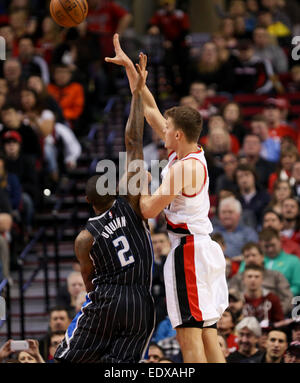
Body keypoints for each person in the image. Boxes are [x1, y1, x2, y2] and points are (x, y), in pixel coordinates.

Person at [105, 34, 228, 363]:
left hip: (188, 251)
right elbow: (149, 111)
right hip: (202, 249)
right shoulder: (190, 150)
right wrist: (133, 72)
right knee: (208, 335)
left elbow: (147, 209)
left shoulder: (181, 170)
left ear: (177, 134)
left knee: (190, 340)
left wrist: (142, 181)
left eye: (167, 129)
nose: (162, 132)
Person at [54, 57, 155, 363]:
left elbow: (88, 282)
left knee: (66, 360)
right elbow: (133, 139)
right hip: (141, 300)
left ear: (88, 202)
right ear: (116, 189)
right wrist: (137, 90)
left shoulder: (85, 237)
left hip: (107, 298)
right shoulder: (132, 201)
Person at [230, 241, 293, 315]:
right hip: (244, 317)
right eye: (247, 256)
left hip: (272, 315)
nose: (250, 259)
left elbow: (288, 298)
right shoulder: (236, 278)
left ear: (262, 257)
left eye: (253, 255)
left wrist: (276, 312)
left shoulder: (276, 275)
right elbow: (231, 300)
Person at [213, 196, 258, 260]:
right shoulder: (213, 232)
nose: (227, 215)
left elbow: (254, 253)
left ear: (238, 215)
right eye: (223, 212)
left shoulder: (249, 233)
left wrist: (242, 258)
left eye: (230, 212)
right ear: (219, 215)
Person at [259, 227, 300, 296]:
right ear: (260, 245)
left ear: (280, 241)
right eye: (266, 246)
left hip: (285, 301)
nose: (270, 250)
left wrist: (281, 295)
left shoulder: (293, 261)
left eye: (273, 245)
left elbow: (298, 286)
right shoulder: (254, 260)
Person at [235, 163, 270, 227]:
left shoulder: (265, 197)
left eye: (247, 175)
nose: (244, 180)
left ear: (254, 176)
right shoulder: (234, 199)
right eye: (240, 177)